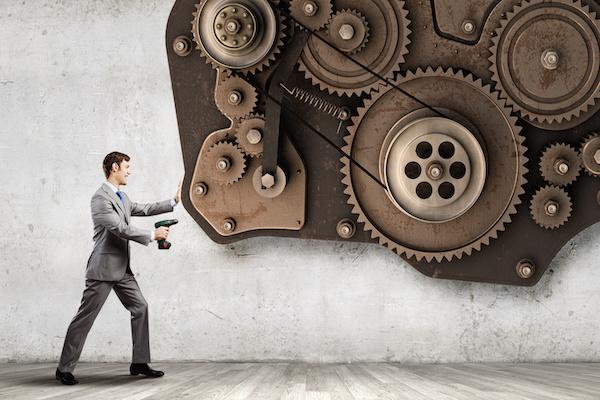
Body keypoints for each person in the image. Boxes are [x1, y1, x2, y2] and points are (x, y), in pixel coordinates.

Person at [55, 151, 182, 385]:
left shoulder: (122, 197)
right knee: (84, 318)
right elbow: (118, 229)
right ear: (114, 167)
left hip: (122, 269)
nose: (129, 171)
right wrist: (153, 235)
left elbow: (143, 208)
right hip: (103, 269)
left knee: (141, 307)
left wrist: (173, 201)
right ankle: (64, 368)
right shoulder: (100, 199)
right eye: (126, 166)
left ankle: (139, 362)